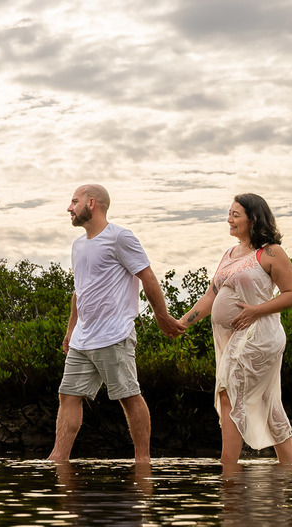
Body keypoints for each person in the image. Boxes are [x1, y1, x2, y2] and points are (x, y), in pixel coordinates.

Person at [47, 184, 184, 463]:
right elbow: (79, 290)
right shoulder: (78, 245)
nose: (69, 208)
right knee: (68, 396)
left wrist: (163, 318)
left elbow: (147, 277)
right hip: (83, 338)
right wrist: (71, 329)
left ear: (92, 203)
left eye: (74, 201)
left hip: (114, 335)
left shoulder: (120, 237)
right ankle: (58, 459)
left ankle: (142, 461)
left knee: (129, 396)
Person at [177, 193, 292, 471]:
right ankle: (289, 466)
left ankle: (228, 468)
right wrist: (182, 323)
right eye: (229, 213)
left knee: (227, 391)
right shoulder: (229, 255)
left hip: (259, 334)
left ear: (253, 219)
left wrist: (257, 310)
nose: (229, 219)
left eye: (236, 214)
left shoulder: (271, 252)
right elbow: (211, 296)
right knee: (269, 401)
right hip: (233, 337)